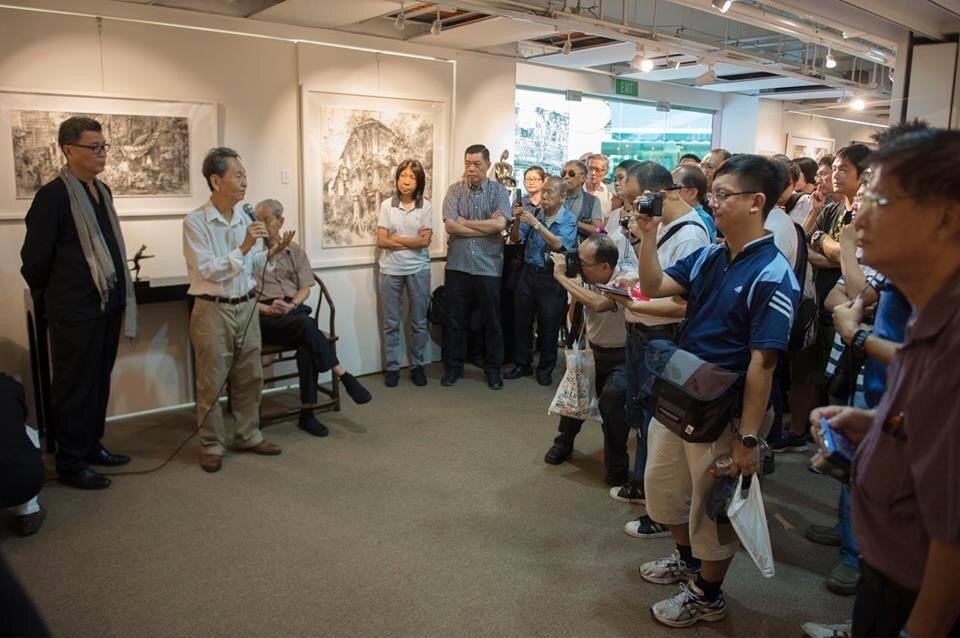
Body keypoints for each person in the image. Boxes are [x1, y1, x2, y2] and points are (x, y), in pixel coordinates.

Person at [632, 154, 800, 627]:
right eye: (712, 194)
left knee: (711, 509)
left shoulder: (773, 274)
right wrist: (647, 237)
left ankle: (708, 592)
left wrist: (748, 438)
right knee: (663, 490)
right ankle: (687, 564)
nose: (713, 203)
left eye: (723, 195)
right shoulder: (710, 254)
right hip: (684, 390)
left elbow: (762, 364)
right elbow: (653, 285)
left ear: (756, 202)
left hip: (725, 409)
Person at [810, 127, 960, 638]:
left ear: (947, 216)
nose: (860, 214)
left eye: (880, 198)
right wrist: (874, 422)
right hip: (892, 568)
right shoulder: (931, 306)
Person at [20, 116, 138, 490]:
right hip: (74, 310)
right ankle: (70, 461)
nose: (103, 154)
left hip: (107, 304)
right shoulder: (52, 196)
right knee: (74, 385)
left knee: (98, 380)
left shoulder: (101, 192)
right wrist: (58, 298)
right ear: (69, 150)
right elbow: (34, 261)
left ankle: (91, 446)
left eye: (105, 146)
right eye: (95, 147)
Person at [605, 161, 710, 541]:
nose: (631, 210)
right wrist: (631, 285)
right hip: (645, 334)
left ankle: (662, 512)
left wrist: (636, 304)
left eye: (635, 200)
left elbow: (685, 304)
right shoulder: (663, 227)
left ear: (659, 194)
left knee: (658, 423)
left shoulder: (692, 236)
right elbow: (655, 280)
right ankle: (648, 495)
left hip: (663, 337)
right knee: (643, 417)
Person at [183, 147, 289, 473]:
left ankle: (247, 434)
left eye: (245, 175)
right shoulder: (196, 222)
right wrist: (243, 246)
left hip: (246, 307)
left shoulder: (244, 216)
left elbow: (248, 267)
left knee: (250, 377)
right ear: (216, 180)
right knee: (212, 382)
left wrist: (272, 252)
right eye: (238, 175)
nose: (245, 182)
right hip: (212, 310)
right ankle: (212, 444)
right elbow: (208, 270)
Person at [254, 198, 371, 437]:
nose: (262, 226)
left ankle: (307, 415)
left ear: (281, 221)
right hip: (265, 315)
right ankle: (344, 375)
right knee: (308, 327)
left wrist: (293, 303)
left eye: (267, 220)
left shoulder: (294, 250)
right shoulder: (250, 254)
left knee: (307, 341)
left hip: (293, 311)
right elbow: (241, 294)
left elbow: (306, 287)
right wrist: (266, 308)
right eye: (258, 221)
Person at [543, 234, 629, 486]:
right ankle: (564, 443)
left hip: (622, 356)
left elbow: (600, 304)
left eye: (584, 263)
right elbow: (577, 307)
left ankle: (617, 468)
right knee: (575, 397)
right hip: (593, 349)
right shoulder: (586, 277)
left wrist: (561, 278)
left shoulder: (625, 279)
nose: (578, 266)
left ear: (605, 266)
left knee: (613, 408)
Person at [441, 144, 512, 389]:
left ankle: (494, 370)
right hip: (458, 265)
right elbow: (450, 227)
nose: (471, 169)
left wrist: (465, 222)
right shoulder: (454, 191)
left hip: (488, 265)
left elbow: (499, 225)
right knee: (455, 319)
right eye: (467, 163)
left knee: (492, 321)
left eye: (477, 164)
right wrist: (484, 225)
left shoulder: (499, 191)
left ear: (488, 165)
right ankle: (453, 367)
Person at [505, 176, 577, 386]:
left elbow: (559, 245)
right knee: (522, 322)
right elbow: (517, 238)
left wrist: (536, 224)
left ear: (562, 197)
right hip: (528, 273)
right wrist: (518, 219)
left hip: (551, 276)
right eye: (543, 191)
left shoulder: (568, 219)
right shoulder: (535, 212)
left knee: (549, 325)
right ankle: (522, 363)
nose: (544, 197)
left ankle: (545, 368)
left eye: (549, 193)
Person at [376, 159, 433, 388]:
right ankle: (392, 367)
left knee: (418, 322)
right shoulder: (387, 205)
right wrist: (411, 241)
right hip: (390, 270)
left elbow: (425, 242)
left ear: (418, 181)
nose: (406, 181)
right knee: (391, 322)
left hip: (418, 269)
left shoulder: (425, 206)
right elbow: (382, 241)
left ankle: (417, 365)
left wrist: (396, 239)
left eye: (411, 177)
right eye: (402, 176)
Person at [672, 164, 718, 242]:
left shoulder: (699, 222)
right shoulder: (682, 216)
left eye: (674, 188)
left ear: (692, 193)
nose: (668, 193)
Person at [562, 159, 603, 240]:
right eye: (563, 173)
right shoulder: (555, 196)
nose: (566, 177)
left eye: (571, 174)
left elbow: (598, 231)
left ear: (582, 178)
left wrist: (575, 222)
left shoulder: (592, 201)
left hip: (579, 250)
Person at [585, 153, 613, 219]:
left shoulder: (610, 197)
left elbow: (604, 226)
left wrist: (596, 229)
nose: (593, 173)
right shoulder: (577, 189)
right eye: (590, 168)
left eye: (597, 170)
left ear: (605, 173)